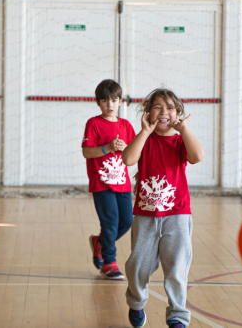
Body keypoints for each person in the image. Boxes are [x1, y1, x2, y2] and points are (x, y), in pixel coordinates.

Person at [121, 88, 204, 328]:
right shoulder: (145, 140)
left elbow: (197, 156)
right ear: (148, 113)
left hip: (177, 215)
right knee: (138, 266)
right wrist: (144, 132)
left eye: (170, 108)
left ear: (178, 114)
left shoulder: (180, 140)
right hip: (146, 217)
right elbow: (127, 159)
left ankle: (177, 315)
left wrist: (185, 129)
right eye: (158, 107)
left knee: (177, 268)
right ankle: (136, 303)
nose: (164, 112)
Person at [82, 79, 136, 280]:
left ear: (120, 102)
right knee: (110, 221)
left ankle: (100, 244)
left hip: (122, 183)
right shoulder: (94, 123)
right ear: (98, 103)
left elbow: (133, 155)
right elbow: (87, 152)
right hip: (102, 183)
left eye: (114, 100)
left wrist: (126, 149)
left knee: (126, 221)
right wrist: (108, 148)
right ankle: (109, 263)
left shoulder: (126, 125)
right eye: (105, 101)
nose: (110, 104)